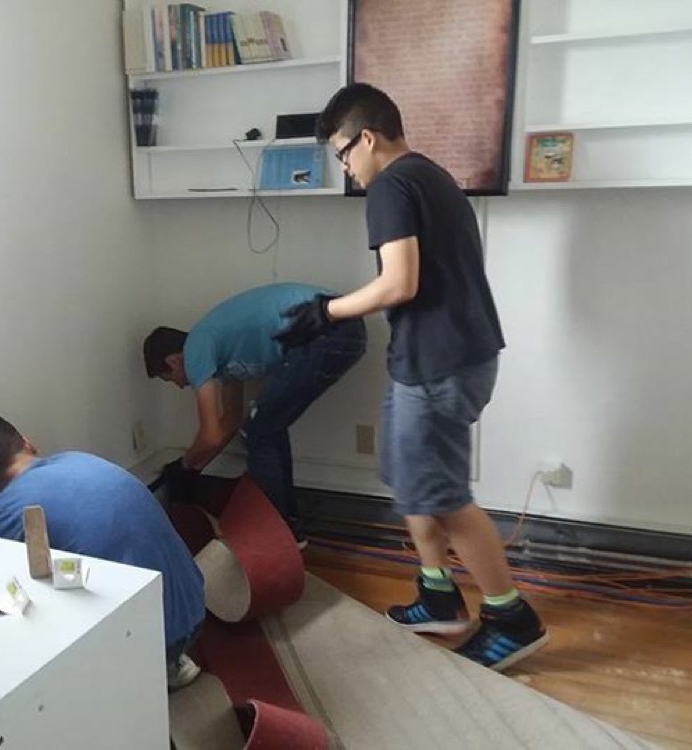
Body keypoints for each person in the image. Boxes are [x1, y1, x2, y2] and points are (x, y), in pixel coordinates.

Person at [275, 83, 547, 671]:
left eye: (343, 154)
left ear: (368, 139)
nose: (346, 168)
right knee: (408, 476)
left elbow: (400, 282)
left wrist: (326, 312)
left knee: (444, 496)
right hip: (437, 356)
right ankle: (439, 595)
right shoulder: (430, 176)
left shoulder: (391, 185)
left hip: (440, 363)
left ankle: (511, 617)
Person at [0, 413, 206, 690]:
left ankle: (148, 672)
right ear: (28, 444)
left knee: (36, 609)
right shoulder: (79, 460)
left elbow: (1, 591)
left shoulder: (6, 511)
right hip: (195, 607)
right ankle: (170, 663)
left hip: (151, 641)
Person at [143, 282, 366, 546]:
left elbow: (210, 435)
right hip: (341, 326)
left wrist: (182, 466)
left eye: (170, 379)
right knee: (265, 427)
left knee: (259, 430)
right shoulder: (222, 357)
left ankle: (281, 533)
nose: (180, 386)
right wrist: (195, 467)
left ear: (173, 361)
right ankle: (289, 527)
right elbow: (229, 424)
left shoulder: (196, 346)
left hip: (327, 326)